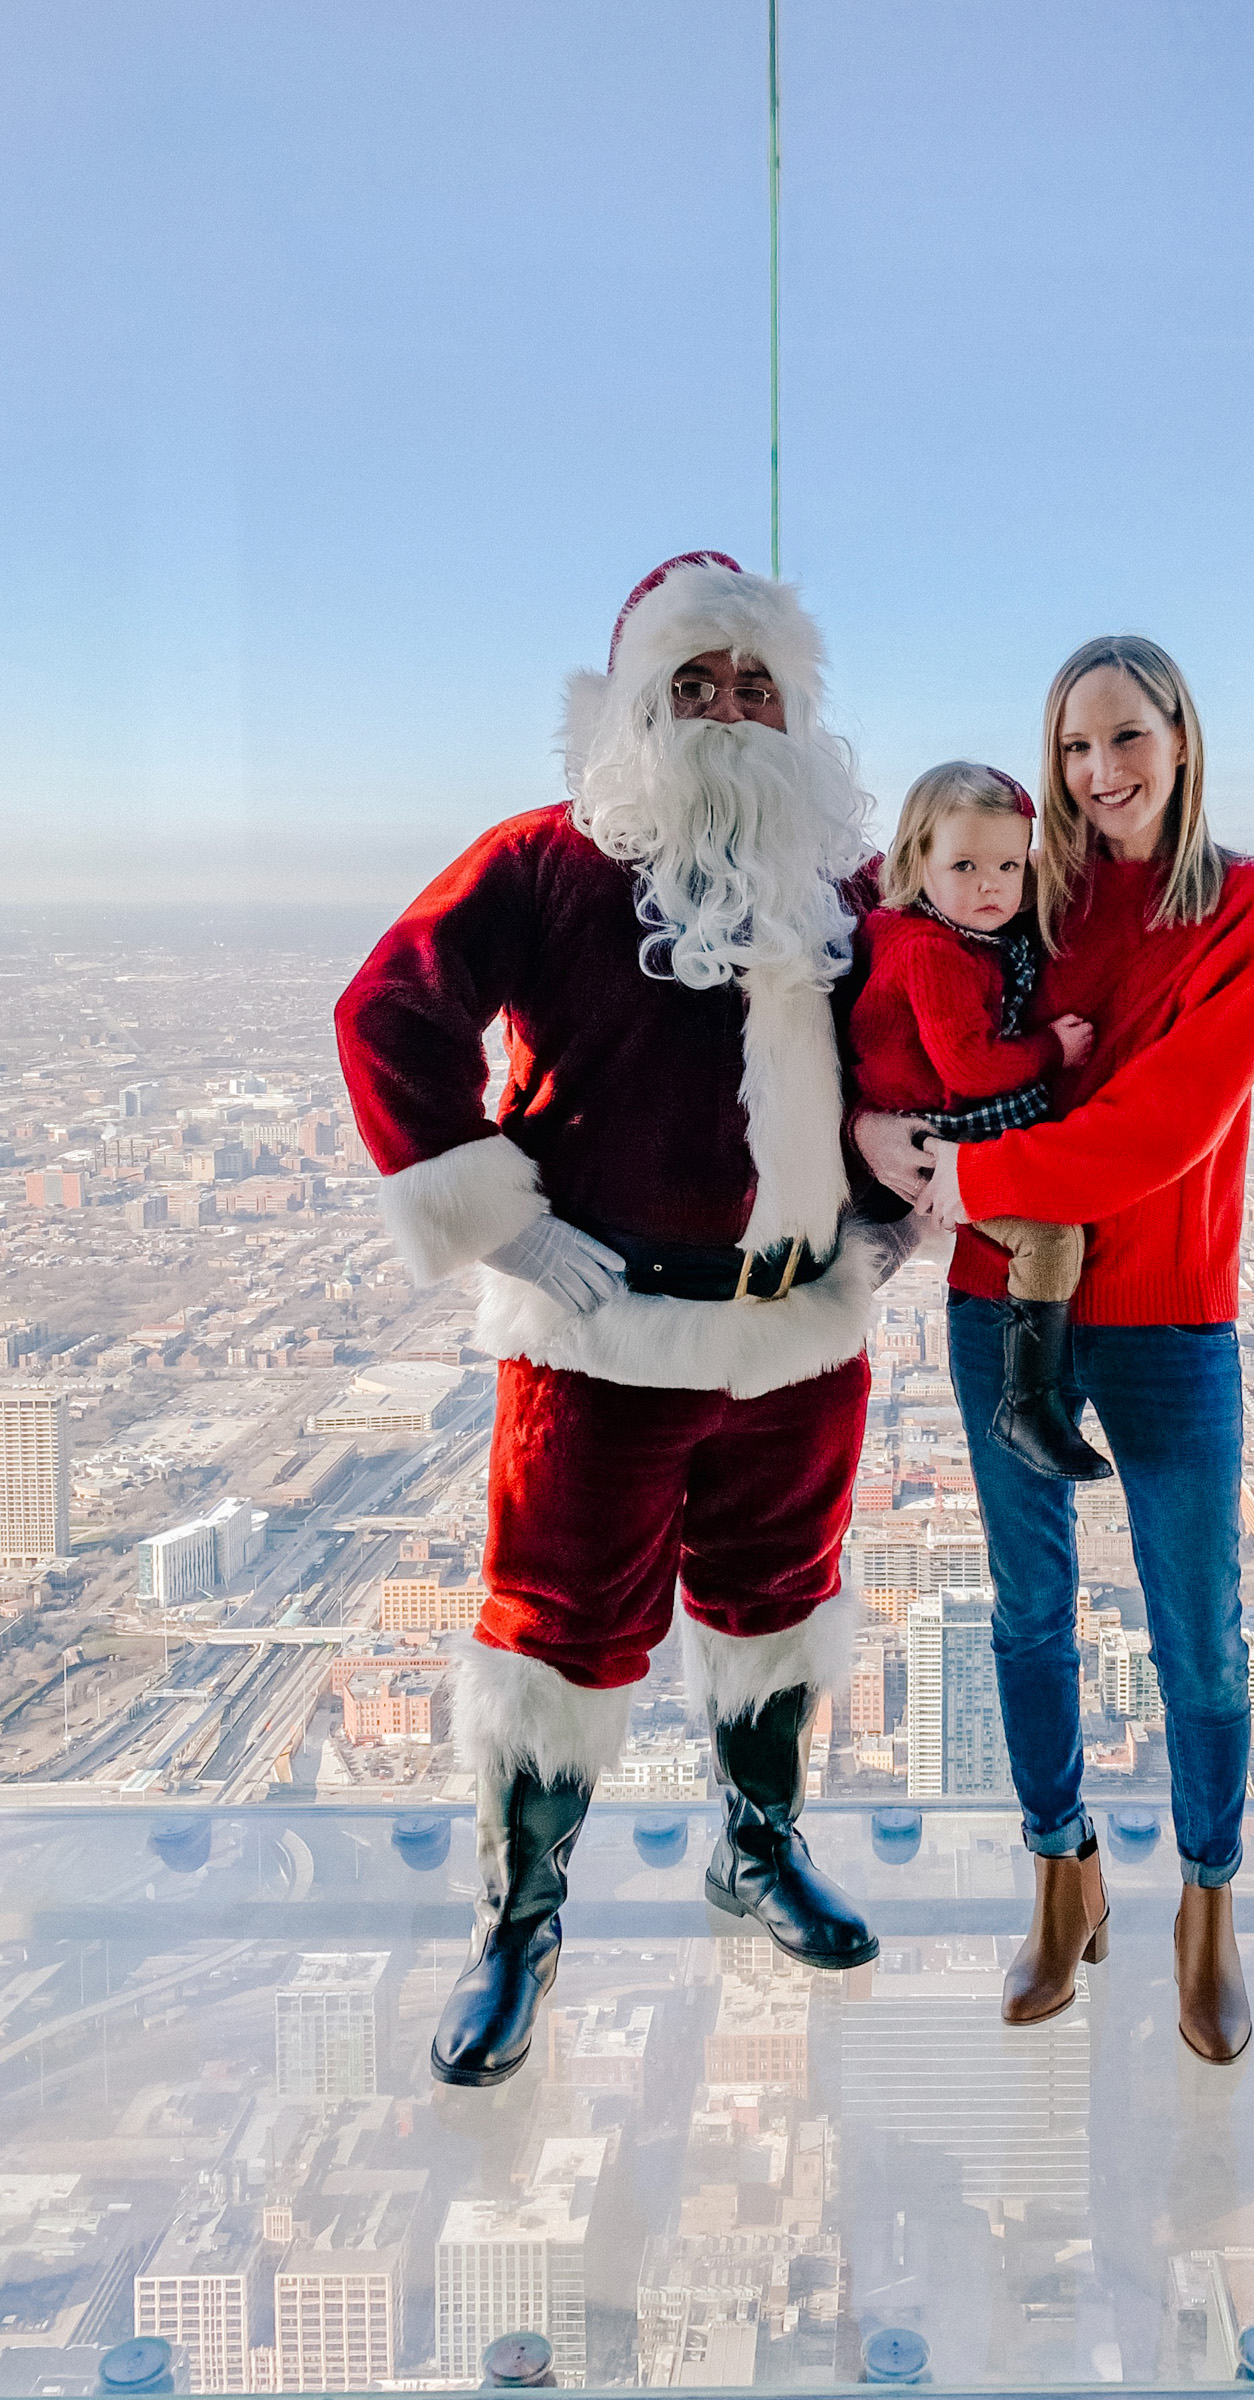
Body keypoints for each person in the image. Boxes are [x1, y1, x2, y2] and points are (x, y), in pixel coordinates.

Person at [336, 551, 897, 2090]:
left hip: (794, 1330)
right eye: (696, 684)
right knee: (557, 1635)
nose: (730, 710)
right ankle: (520, 1922)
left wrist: (902, 1194)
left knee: (779, 1602)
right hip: (603, 1339)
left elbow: (916, 1046)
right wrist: (504, 1218)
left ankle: (758, 1850)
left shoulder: (842, 890)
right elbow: (390, 1007)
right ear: (638, 704)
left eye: (757, 683)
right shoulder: (546, 864)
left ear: (799, 713)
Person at [858, 634, 1254, 2059]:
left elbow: (1171, 1123)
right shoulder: (1017, 891)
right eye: (1071, 747)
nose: (1098, 772)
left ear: (1181, 736)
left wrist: (972, 1179)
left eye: (1124, 739)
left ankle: (1209, 1909)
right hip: (1000, 1299)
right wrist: (870, 1130)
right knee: (1027, 1617)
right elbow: (872, 956)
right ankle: (1064, 1876)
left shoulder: (1249, 903)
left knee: (1200, 1641)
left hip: (1168, 1308)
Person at [846, 759, 1111, 1481]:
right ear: (916, 863)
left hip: (950, 1124)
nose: (990, 885)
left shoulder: (953, 930)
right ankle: (1027, 1406)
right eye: (963, 864)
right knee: (1052, 1241)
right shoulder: (931, 951)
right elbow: (971, 1067)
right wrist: (1052, 1047)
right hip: (935, 1137)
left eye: (1006, 864)